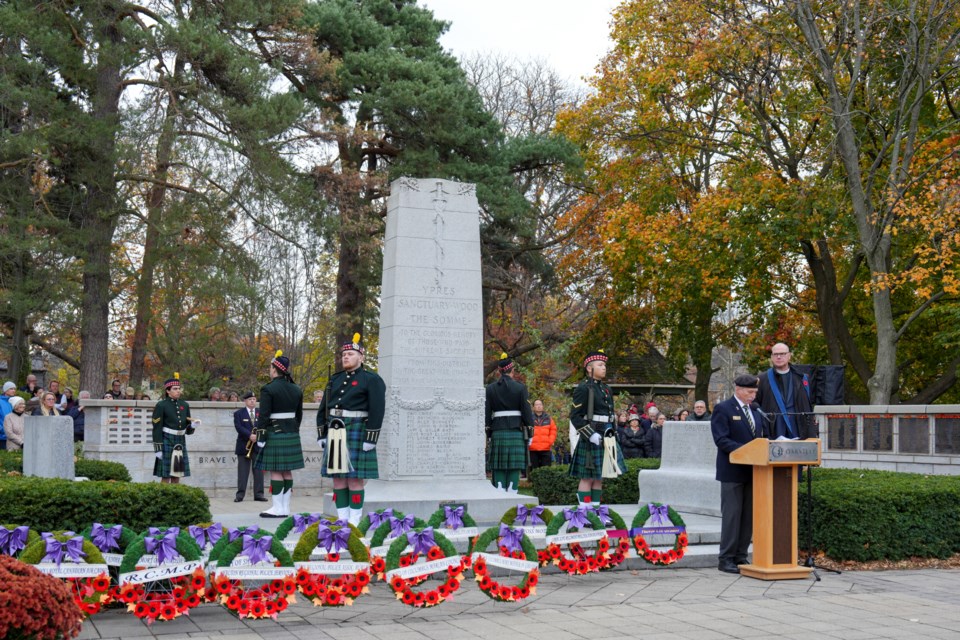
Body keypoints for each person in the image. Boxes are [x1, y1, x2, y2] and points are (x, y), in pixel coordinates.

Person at [318, 334, 386, 524]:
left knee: (355, 480)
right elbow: (324, 407)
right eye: (344, 354)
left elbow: (377, 410)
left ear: (361, 357)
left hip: (357, 428)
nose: (345, 357)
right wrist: (321, 432)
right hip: (335, 430)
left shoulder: (371, 379)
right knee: (338, 479)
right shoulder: (335, 379)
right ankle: (342, 519)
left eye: (350, 354)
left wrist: (371, 438)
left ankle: (354, 521)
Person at [711, 374, 766, 574]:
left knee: (747, 517)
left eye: (755, 392)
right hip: (732, 471)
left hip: (754, 471)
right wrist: (747, 451)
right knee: (732, 516)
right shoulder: (723, 409)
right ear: (738, 389)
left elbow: (760, 438)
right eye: (750, 392)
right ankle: (725, 559)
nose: (753, 396)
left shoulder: (756, 411)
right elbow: (721, 439)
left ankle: (741, 556)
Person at [569, 349, 625, 505]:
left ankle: (596, 511)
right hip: (591, 435)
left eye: (605, 365)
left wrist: (613, 433)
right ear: (589, 368)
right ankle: (584, 512)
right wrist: (590, 434)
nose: (604, 367)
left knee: (600, 476)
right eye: (600, 365)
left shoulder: (607, 389)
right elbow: (575, 416)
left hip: (607, 434)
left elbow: (610, 414)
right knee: (587, 477)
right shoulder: (583, 388)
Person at [256, 350, 304, 518]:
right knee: (287, 471)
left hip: (274, 433)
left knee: (276, 470)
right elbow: (299, 415)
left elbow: (263, 415)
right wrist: (292, 429)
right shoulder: (296, 388)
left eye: (270, 367)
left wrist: (260, 436)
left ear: (275, 369)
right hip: (291, 433)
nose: (269, 370)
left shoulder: (268, 389)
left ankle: (277, 508)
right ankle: (285, 508)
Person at [484, 353, 535, 492]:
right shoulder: (520, 387)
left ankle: (499, 492)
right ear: (512, 371)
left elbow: (487, 413)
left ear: (499, 372)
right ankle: (513, 492)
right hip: (515, 429)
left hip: (497, 430)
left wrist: (488, 432)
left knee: (498, 465)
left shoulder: (490, 388)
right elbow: (526, 411)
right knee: (514, 465)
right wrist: (530, 432)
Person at [755, 343, 816, 439]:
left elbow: (810, 402)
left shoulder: (802, 378)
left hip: (798, 427)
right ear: (771, 357)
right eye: (775, 354)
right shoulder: (762, 379)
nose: (778, 357)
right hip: (774, 428)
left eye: (782, 354)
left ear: (789, 356)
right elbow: (755, 404)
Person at [152, 373, 196, 484]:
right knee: (165, 475)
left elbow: (187, 429)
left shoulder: (184, 405)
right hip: (167, 439)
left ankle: (175, 498)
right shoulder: (161, 405)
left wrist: (192, 426)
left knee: (177, 474)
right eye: (175, 389)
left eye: (179, 388)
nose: (178, 391)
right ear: (168, 391)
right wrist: (158, 448)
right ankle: (163, 498)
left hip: (180, 441)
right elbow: (156, 428)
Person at [233, 391, 266, 503]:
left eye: (254, 399)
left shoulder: (260, 413)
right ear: (245, 401)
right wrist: (249, 435)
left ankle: (259, 494)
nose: (252, 401)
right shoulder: (239, 413)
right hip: (244, 446)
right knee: (243, 472)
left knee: (258, 472)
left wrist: (258, 436)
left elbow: (264, 426)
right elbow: (238, 427)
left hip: (257, 446)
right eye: (250, 399)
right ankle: (240, 495)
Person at [529, 399, 557, 472]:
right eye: (536, 405)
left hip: (546, 449)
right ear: (533, 407)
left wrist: (549, 442)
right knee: (534, 472)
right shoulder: (529, 419)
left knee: (546, 472)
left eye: (540, 404)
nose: (539, 406)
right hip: (532, 449)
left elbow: (553, 430)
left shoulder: (548, 418)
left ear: (543, 406)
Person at [0, 381, 17, 449]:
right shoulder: (0, 402)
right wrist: (3, 430)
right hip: (2, 437)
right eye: (11, 389)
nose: (13, 390)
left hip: (13, 436)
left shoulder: (15, 401)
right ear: (5, 390)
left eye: (14, 389)